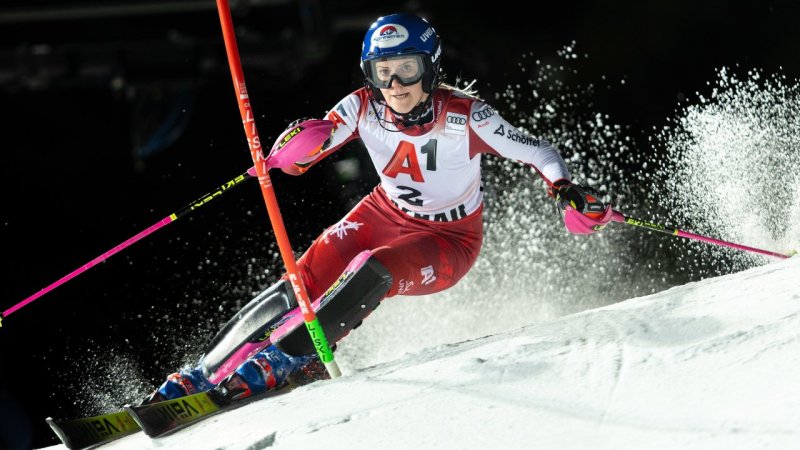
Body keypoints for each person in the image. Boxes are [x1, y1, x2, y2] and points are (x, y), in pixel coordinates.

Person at [146, 12, 612, 403]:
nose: (395, 83)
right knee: (304, 277)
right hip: (381, 213)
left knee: (375, 268)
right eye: (382, 70)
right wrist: (293, 150)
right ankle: (201, 373)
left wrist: (563, 188)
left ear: (429, 68)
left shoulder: (467, 116)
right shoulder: (363, 106)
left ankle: (288, 358)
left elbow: (537, 151)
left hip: (448, 240)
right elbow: (310, 150)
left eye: (407, 68)